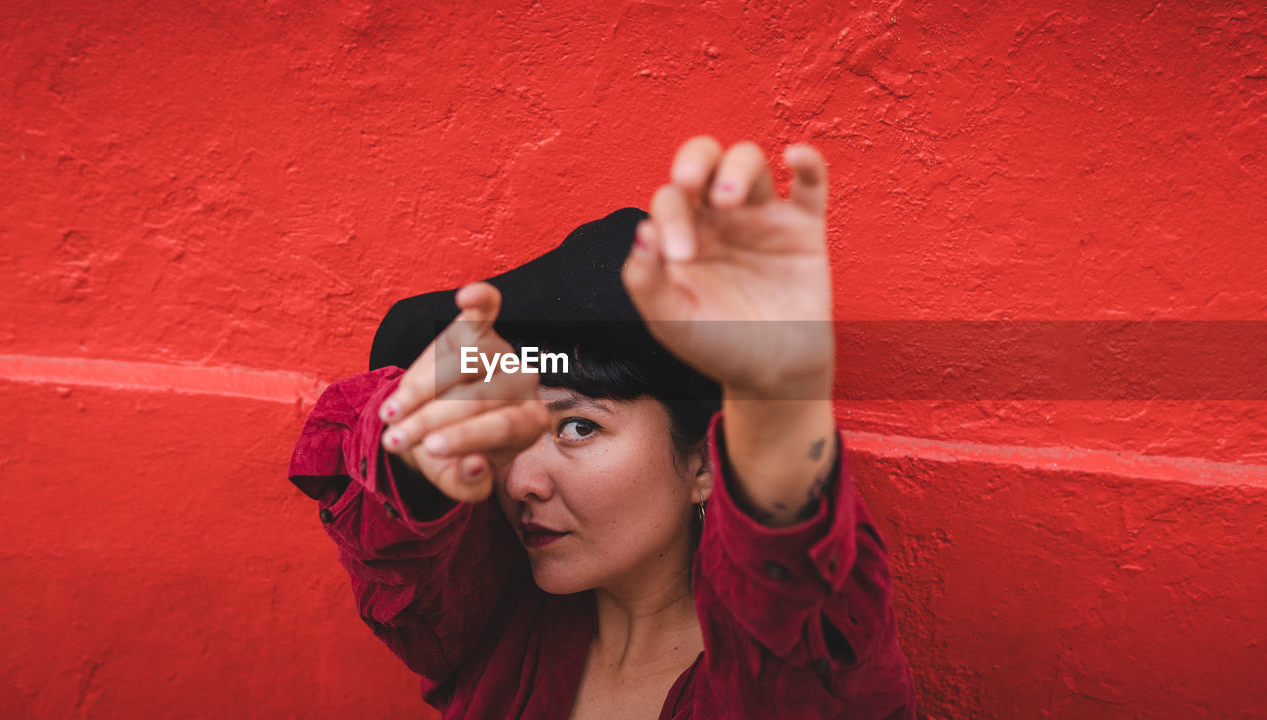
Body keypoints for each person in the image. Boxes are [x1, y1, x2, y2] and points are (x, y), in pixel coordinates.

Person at [288, 137, 916, 718]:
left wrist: (780, 415)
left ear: (703, 462)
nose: (523, 483)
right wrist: (416, 443)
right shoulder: (501, 633)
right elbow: (393, 543)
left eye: (578, 428)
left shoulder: (773, 678)